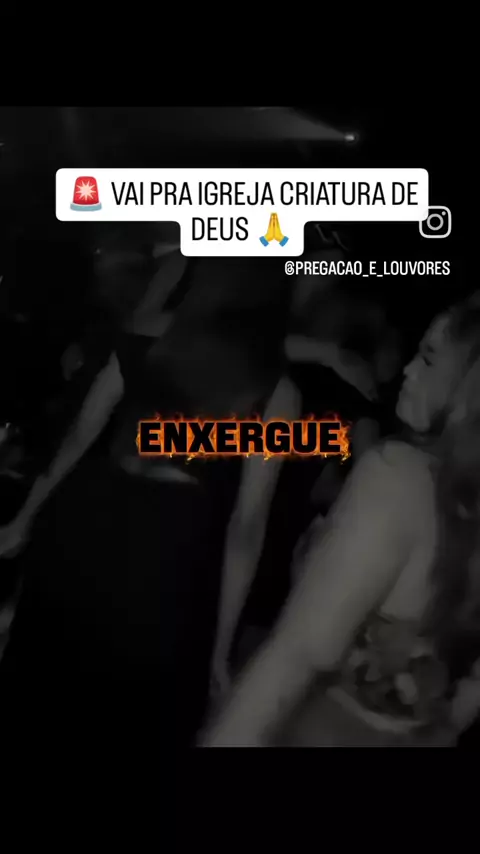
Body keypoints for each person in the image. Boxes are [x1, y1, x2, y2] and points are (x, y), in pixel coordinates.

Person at [202, 291, 480, 747]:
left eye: (429, 359)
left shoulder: (397, 476)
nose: (407, 370)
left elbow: (292, 660)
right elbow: (462, 705)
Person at [209, 267, 400, 700]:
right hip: (277, 556)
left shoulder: (278, 370)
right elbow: (355, 494)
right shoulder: (356, 403)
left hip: (224, 531)